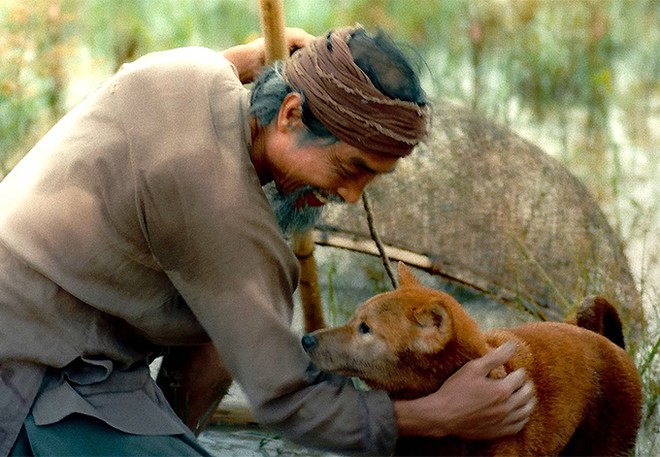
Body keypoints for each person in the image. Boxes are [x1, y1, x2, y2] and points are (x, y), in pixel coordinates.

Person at [0, 25, 535, 456]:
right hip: (29, 370)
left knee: (224, 333)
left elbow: (226, 67)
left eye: (372, 178)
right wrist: (438, 416)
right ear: (290, 113)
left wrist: (260, 56)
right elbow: (291, 403)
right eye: (350, 167)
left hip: (47, 313)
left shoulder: (190, 69)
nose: (351, 196)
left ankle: (166, 430)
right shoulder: (228, 221)